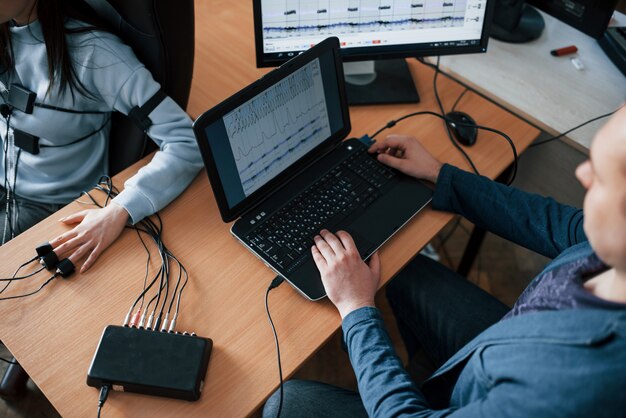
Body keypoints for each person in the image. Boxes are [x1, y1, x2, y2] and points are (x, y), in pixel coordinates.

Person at [264, 106, 626, 417]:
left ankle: (408, 382)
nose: (582, 173)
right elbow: (561, 225)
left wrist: (356, 309)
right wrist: (440, 175)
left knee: (287, 404)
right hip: (500, 349)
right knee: (403, 267)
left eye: (604, 178)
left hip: (496, 381)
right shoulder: (612, 255)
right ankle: (418, 373)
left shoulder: (572, 383)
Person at [0, 0, 202, 272]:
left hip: (50, 204)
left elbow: (187, 142)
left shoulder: (94, 54)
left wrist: (118, 211)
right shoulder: (5, 30)